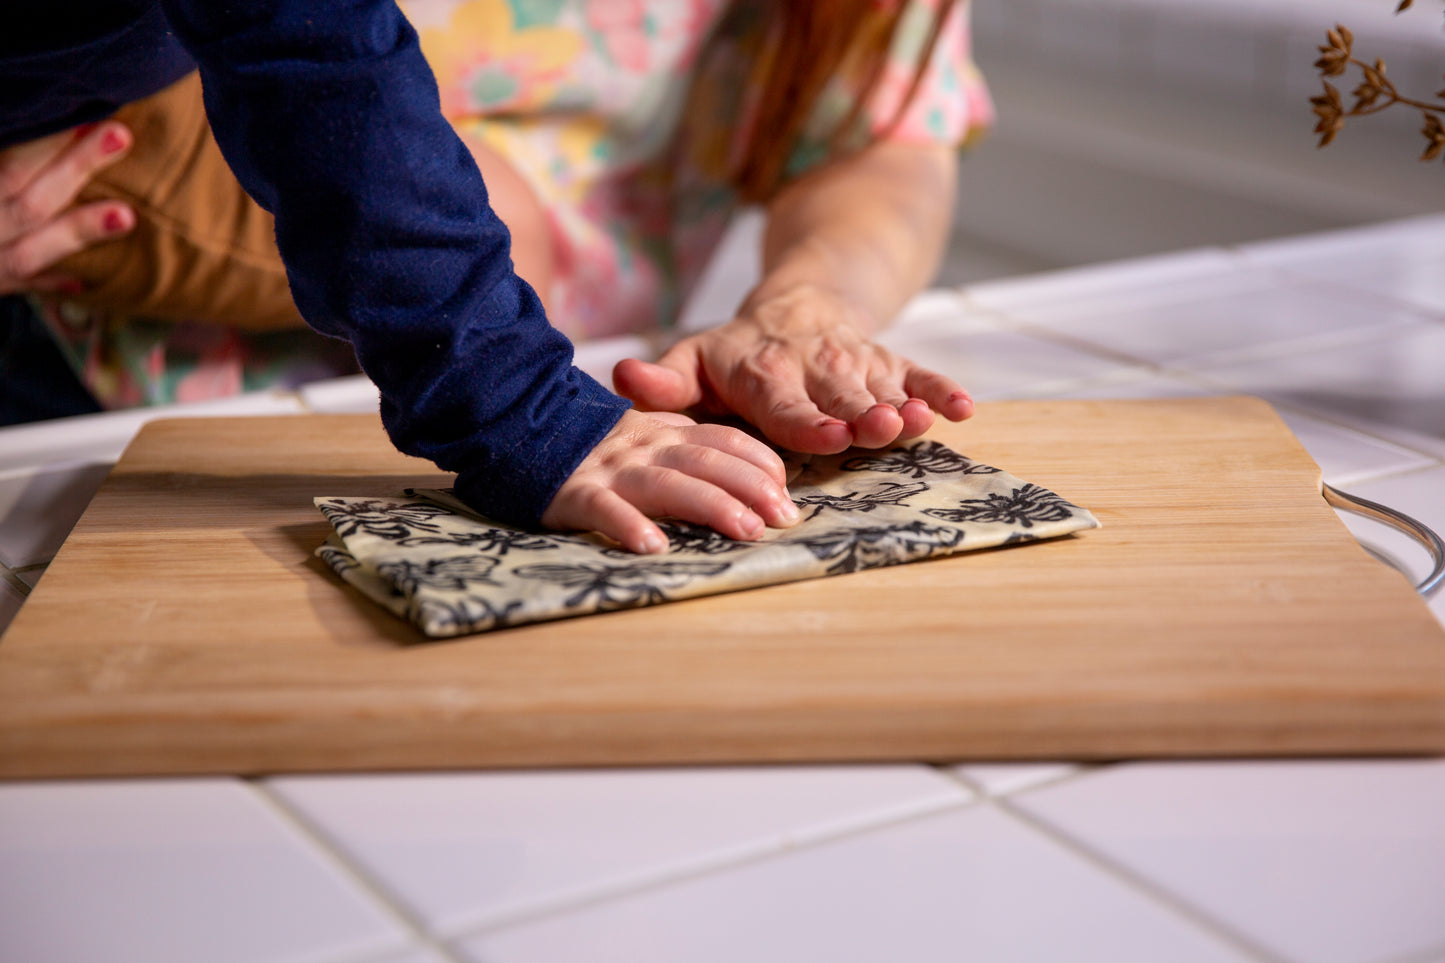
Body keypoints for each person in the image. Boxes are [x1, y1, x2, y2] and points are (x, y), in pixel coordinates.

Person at [0, 0, 992, 553]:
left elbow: (881, 133)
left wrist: (803, 302)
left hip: (583, 407)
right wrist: (511, 405)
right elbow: (308, 48)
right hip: (103, 408)